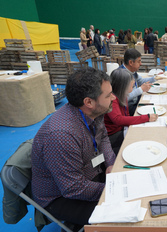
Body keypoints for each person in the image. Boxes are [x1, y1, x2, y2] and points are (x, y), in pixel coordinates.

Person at [31, 68, 116, 231]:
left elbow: (103, 137)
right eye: (108, 95)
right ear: (88, 102)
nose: (113, 98)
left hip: (88, 173)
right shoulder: (62, 135)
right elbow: (74, 188)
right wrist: (113, 189)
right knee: (118, 216)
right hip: (60, 197)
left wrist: (112, 164)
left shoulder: (94, 111)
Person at [104, 69, 158, 154]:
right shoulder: (113, 99)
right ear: (123, 86)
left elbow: (127, 115)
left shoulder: (122, 95)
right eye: (131, 85)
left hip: (121, 129)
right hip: (112, 135)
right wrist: (146, 118)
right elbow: (118, 120)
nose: (133, 87)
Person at [118, 48, 159, 116]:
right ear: (131, 62)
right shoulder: (121, 75)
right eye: (138, 61)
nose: (141, 64)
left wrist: (155, 78)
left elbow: (141, 81)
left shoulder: (132, 71)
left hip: (136, 102)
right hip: (129, 109)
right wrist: (140, 90)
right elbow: (122, 99)